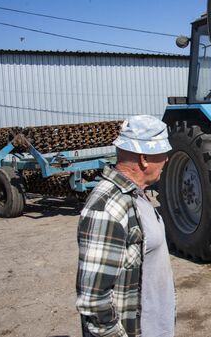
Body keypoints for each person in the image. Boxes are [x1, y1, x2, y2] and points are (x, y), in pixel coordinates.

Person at [76, 115, 175, 337]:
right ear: (144, 159)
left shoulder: (136, 195)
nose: (167, 159)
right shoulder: (107, 208)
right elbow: (94, 302)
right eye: (163, 153)